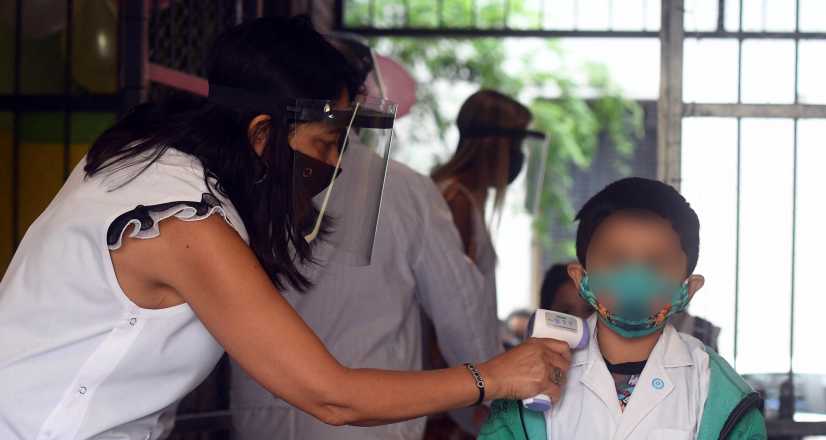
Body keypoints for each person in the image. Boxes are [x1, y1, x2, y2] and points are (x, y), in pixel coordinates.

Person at [0, 17, 569, 440]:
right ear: (262, 134)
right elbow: (334, 396)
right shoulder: (182, 223)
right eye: (325, 145)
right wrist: (488, 376)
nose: (337, 166)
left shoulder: (144, 160)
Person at [229, 35, 503, 440]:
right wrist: (493, 397)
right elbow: (463, 320)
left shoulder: (238, 181)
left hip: (259, 422)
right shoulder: (407, 191)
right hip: (369, 424)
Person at [479, 177, 767, 440]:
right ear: (581, 278)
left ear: (688, 288)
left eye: (656, 263)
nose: (634, 279)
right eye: (616, 260)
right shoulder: (531, 374)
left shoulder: (719, 393)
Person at [424, 89, 537, 437]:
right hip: (449, 393)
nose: (518, 157)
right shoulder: (453, 202)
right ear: (491, 144)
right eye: (515, 145)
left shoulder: (463, 197)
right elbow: (447, 313)